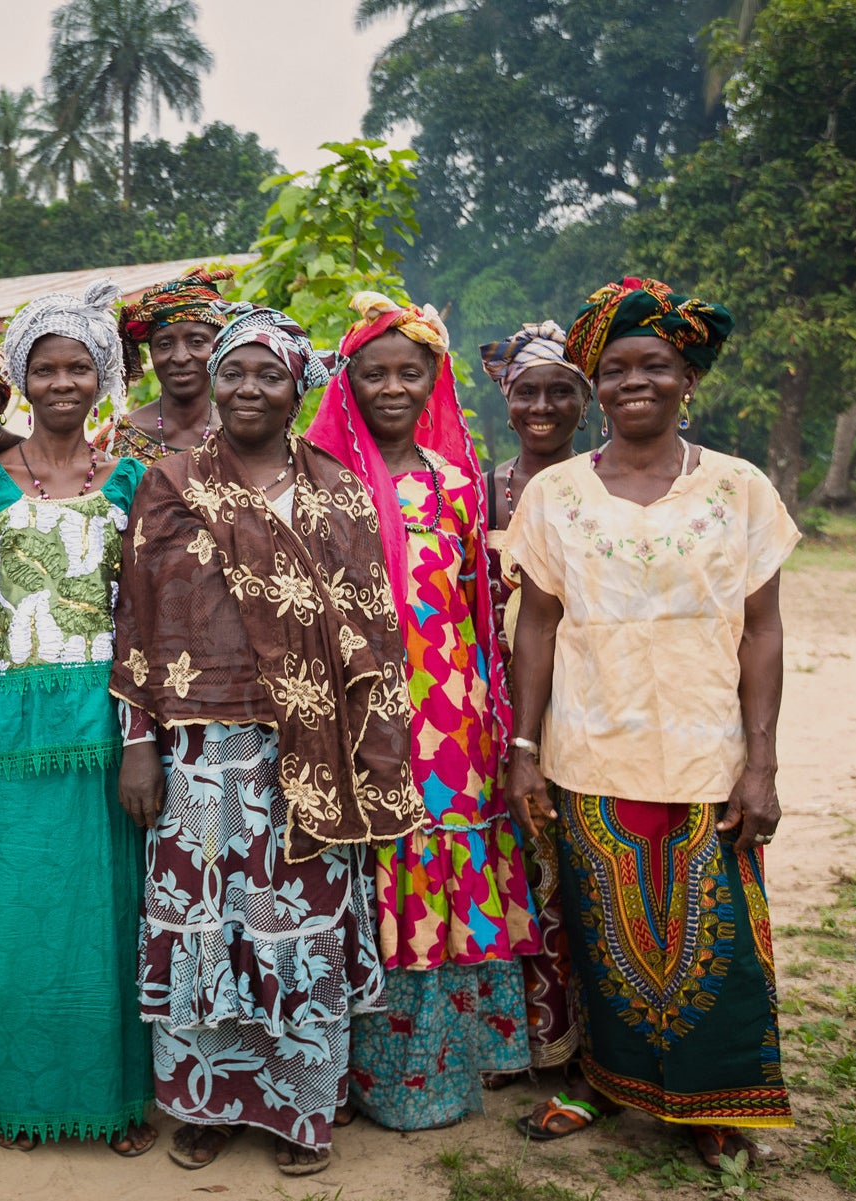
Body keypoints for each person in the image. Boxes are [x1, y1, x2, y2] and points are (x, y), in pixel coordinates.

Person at [112, 305, 424, 1177]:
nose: (248, 388)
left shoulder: (338, 488)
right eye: (234, 372)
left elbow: (372, 625)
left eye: (269, 374)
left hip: (313, 746)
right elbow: (138, 617)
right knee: (206, 921)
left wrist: (377, 749)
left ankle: (299, 1106)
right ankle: (206, 1100)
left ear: (299, 390)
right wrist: (138, 742)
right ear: (214, 383)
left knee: (296, 925)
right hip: (203, 750)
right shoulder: (171, 482)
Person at [502, 277, 797, 1169]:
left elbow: (763, 630)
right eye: (617, 369)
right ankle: (604, 1081)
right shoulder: (556, 495)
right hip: (589, 751)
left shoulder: (739, 488)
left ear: (687, 379)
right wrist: (523, 751)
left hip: (710, 757)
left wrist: (761, 764)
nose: (635, 381)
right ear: (597, 386)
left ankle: (713, 1105)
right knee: (603, 936)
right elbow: (538, 627)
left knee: (718, 940)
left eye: (655, 365)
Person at [308, 291, 539, 1132]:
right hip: (357, 707)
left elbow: (477, 605)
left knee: (445, 860)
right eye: (375, 373)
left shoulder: (456, 480)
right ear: (349, 382)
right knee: (370, 870)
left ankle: (448, 1064)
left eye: (410, 372)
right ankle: (355, 1073)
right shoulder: (320, 480)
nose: (393, 388)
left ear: (433, 378)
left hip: (451, 707)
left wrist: (496, 720)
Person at [0, 281, 154, 1157]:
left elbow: (141, 617)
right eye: (46, 369)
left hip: (103, 723)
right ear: (21, 380)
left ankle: (116, 1097)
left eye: (79, 367)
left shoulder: (131, 479)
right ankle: (20, 1097)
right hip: (8, 728)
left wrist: (141, 737)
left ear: (103, 375)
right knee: (14, 911)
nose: (62, 382)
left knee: (109, 913)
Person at [476, 320, 593, 1082]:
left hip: (589, 700)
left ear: (587, 401)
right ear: (506, 398)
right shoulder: (481, 488)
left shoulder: (606, 484)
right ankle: (526, 1038)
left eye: (560, 391)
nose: (542, 407)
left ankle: (596, 1044)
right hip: (500, 706)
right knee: (516, 865)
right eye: (527, 392)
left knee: (584, 865)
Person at [95, 268, 236, 464]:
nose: (180, 357)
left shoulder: (243, 437)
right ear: (152, 351)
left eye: (196, 342)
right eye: (164, 344)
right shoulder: (115, 442)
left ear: (220, 347)